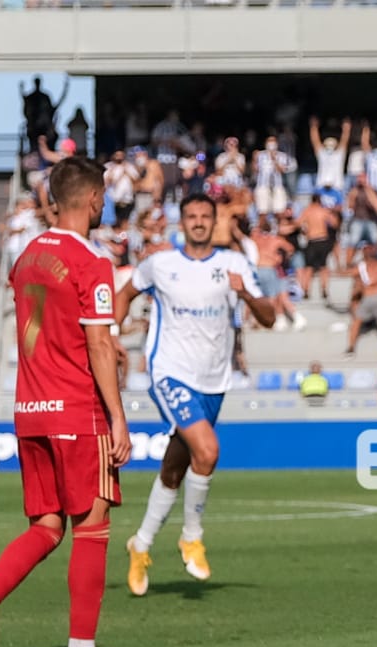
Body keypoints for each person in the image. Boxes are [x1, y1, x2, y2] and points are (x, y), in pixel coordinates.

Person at [0, 156, 137, 647]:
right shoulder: (91, 262)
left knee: (47, 525)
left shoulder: (28, 254)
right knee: (94, 524)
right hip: (78, 410)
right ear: (96, 199)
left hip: (30, 410)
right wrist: (118, 419)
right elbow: (99, 342)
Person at [114, 192, 275, 598]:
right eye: (191, 216)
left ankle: (141, 544)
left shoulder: (234, 264)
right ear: (181, 222)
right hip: (170, 372)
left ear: (215, 221)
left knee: (174, 468)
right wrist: (113, 336)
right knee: (207, 451)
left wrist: (247, 294)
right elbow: (123, 295)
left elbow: (269, 318)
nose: (199, 222)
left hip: (214, 380)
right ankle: (191, 536)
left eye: (206, 216)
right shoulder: (160, 264)